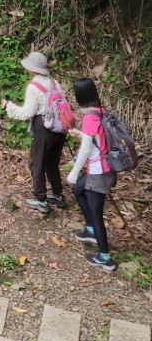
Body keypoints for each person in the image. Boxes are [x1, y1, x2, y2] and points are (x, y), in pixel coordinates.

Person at [1, 51, 66, 214]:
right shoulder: (54, 82)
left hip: (44, 128)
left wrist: (8, 106)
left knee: (36, 164)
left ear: (32, 69)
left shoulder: (33, 86)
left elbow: (27, 113)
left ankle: (41, 199)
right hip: (60, 128)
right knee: (51, 163)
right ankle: (58, 194)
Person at [66, 78, 117, 273]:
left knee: (97, 213)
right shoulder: (101, 111)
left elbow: (86, 150)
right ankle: (91, 230)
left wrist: (74, 170)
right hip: (105, 170)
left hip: (98, 172)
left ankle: (105, 258)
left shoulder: (90, 117)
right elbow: (96, 138)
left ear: (80, 96)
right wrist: (81, 133)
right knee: (78, 189)